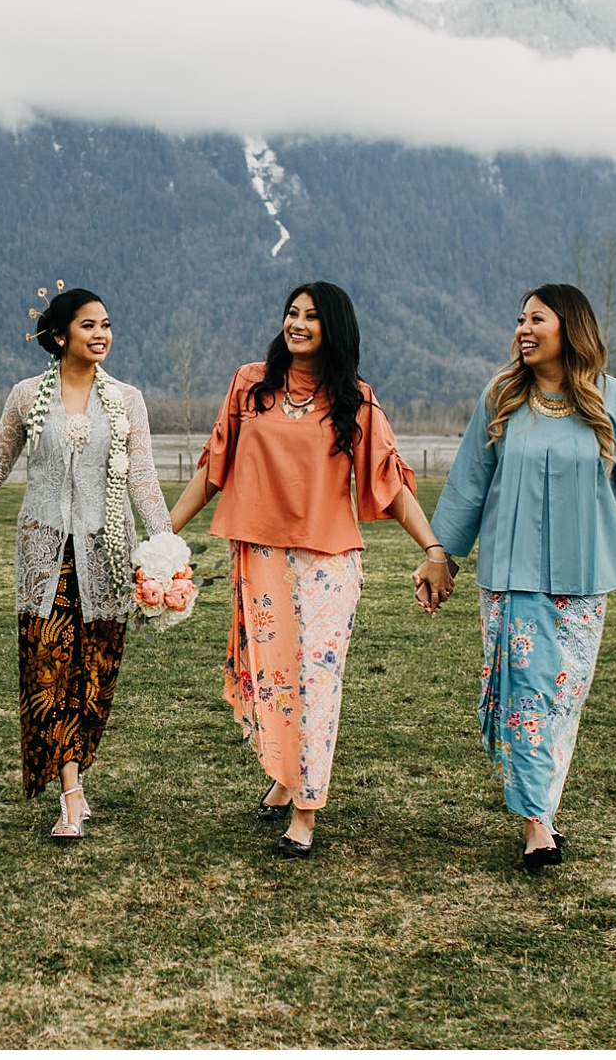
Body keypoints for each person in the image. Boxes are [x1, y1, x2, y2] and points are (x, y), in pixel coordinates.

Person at [169, 281, 456, 858]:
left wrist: (433, 550)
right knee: (271, 678)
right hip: (260, 556)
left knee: (316, 682)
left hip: (327, 562)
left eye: (312, 317)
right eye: (292, 313)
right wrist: (163, 535)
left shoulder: (355, 398)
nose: (297, 323)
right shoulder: (250, 385)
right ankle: (284, 774)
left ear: (335, 329)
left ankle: (305, 811)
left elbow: (389, 483)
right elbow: (215, 467)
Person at [428, 283, 616, 869]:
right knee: (524, 696)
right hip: (510, 580)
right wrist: (439, 557)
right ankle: (537, 826)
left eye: (536, 319)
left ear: (568, 327)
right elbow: (469, 483)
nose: (522, 329)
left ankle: (541, 806)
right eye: (519, 319)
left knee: (559, 699)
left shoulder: (612, 401)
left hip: (583, 582)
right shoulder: (501, 398)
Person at [0, 286, 171, 841]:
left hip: (107, 561)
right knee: (50, 675)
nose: (101, 335)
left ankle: (76, 776)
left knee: (94, 680)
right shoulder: (25, 397)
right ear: (61, 335)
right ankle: (70, 793)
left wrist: (167, 554)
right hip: (44, 562)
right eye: (89, 325)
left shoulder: (127, 400)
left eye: (107, 324)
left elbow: (144, 480)